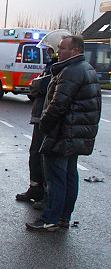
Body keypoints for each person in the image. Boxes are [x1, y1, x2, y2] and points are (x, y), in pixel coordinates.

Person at [26, 35, 101, 231]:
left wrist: (44, 124)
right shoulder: (87, 70)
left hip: (63, 133)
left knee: (56, 177)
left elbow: (58, 104)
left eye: (63, 48)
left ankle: (49, 218)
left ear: (75, 50)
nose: (59, 52)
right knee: (69, 176)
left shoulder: (71, 72)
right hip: (76, 134)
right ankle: (63, 217)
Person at [16, 29, 70, 206]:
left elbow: (42, 85)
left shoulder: (60, 70)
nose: (47, 52)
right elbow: (36, 86)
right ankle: (35, 188)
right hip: (39, 118)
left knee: (46, 160)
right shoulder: (51, 68)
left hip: (49, 121)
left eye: (49, 49)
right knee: (35, 155)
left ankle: (47, 196)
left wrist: (36, 84)